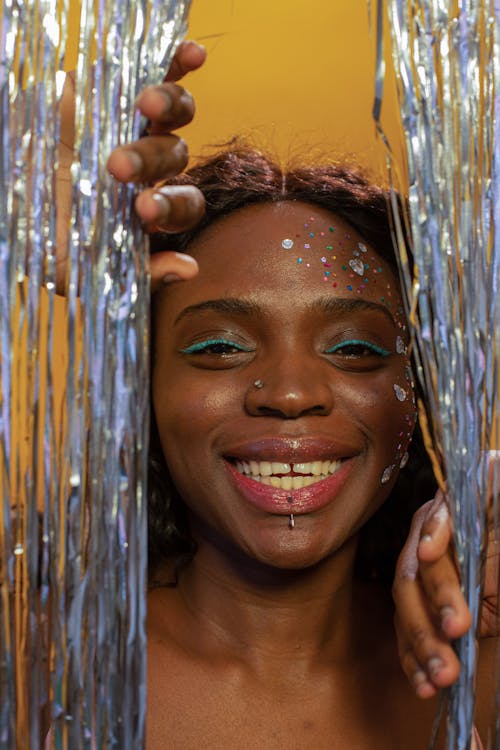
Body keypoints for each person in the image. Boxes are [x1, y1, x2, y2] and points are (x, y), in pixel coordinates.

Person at [53, 42, 498, 747]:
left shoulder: (485, 676)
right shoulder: (43, 662)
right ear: (141, 389)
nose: (289, 394)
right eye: (218, 348)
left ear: (420, 394)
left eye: (355, 349)